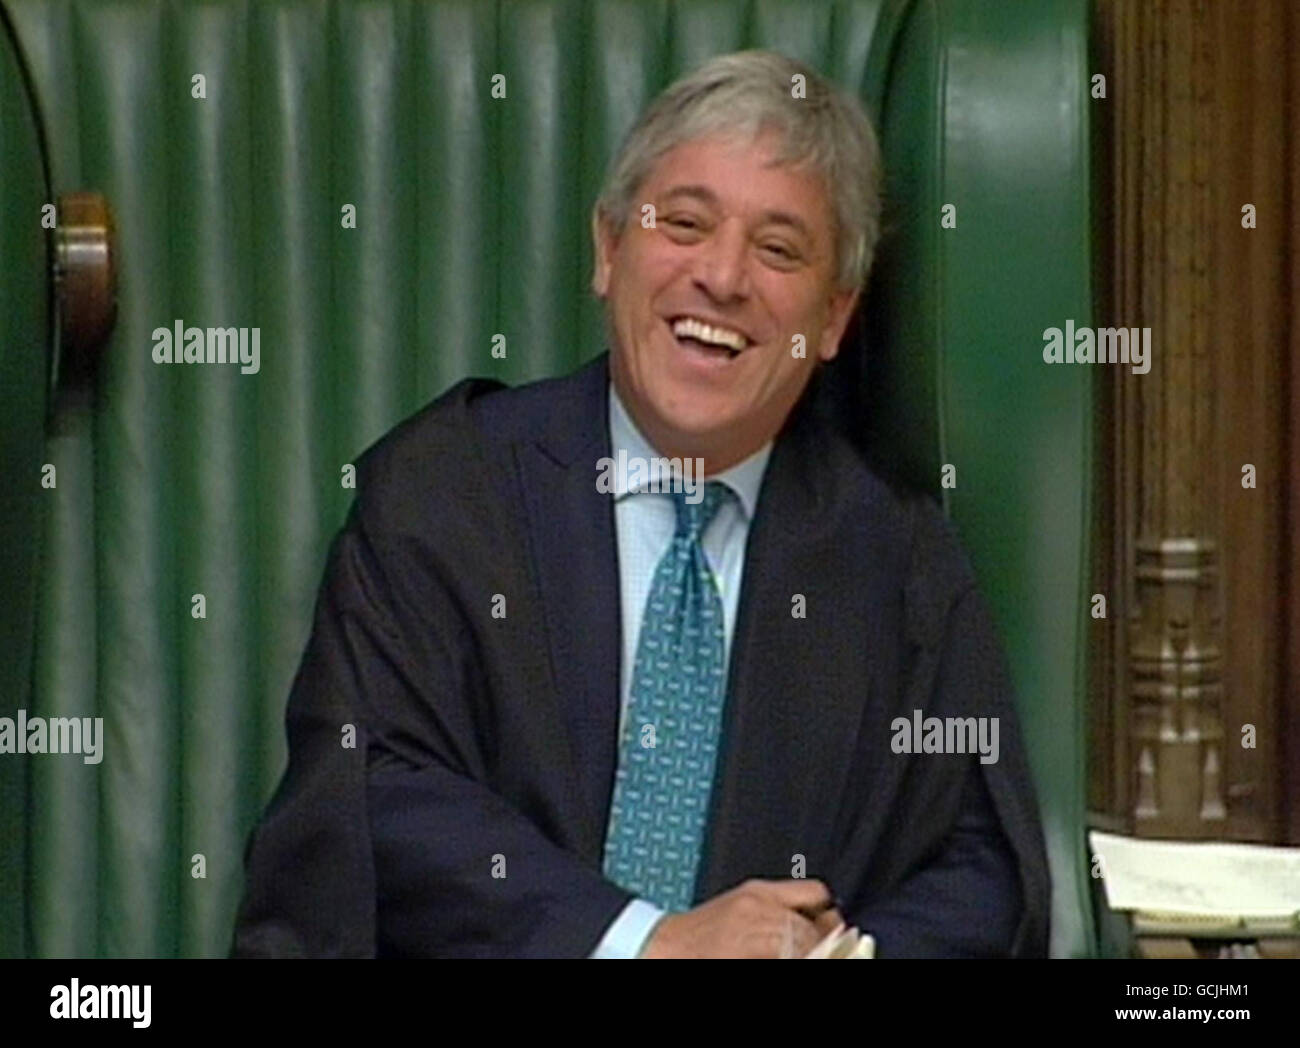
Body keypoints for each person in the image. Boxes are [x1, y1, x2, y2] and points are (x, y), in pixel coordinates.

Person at [232, 49, 1049, 959]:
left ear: (832, 319)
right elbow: (367, 793)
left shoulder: (899, 568)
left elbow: (982, 866)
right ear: (609, 248)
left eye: (779, 249)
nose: (724, 277)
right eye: (685, 224)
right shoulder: (445, 491)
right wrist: (644, 942)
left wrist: (839, 956)